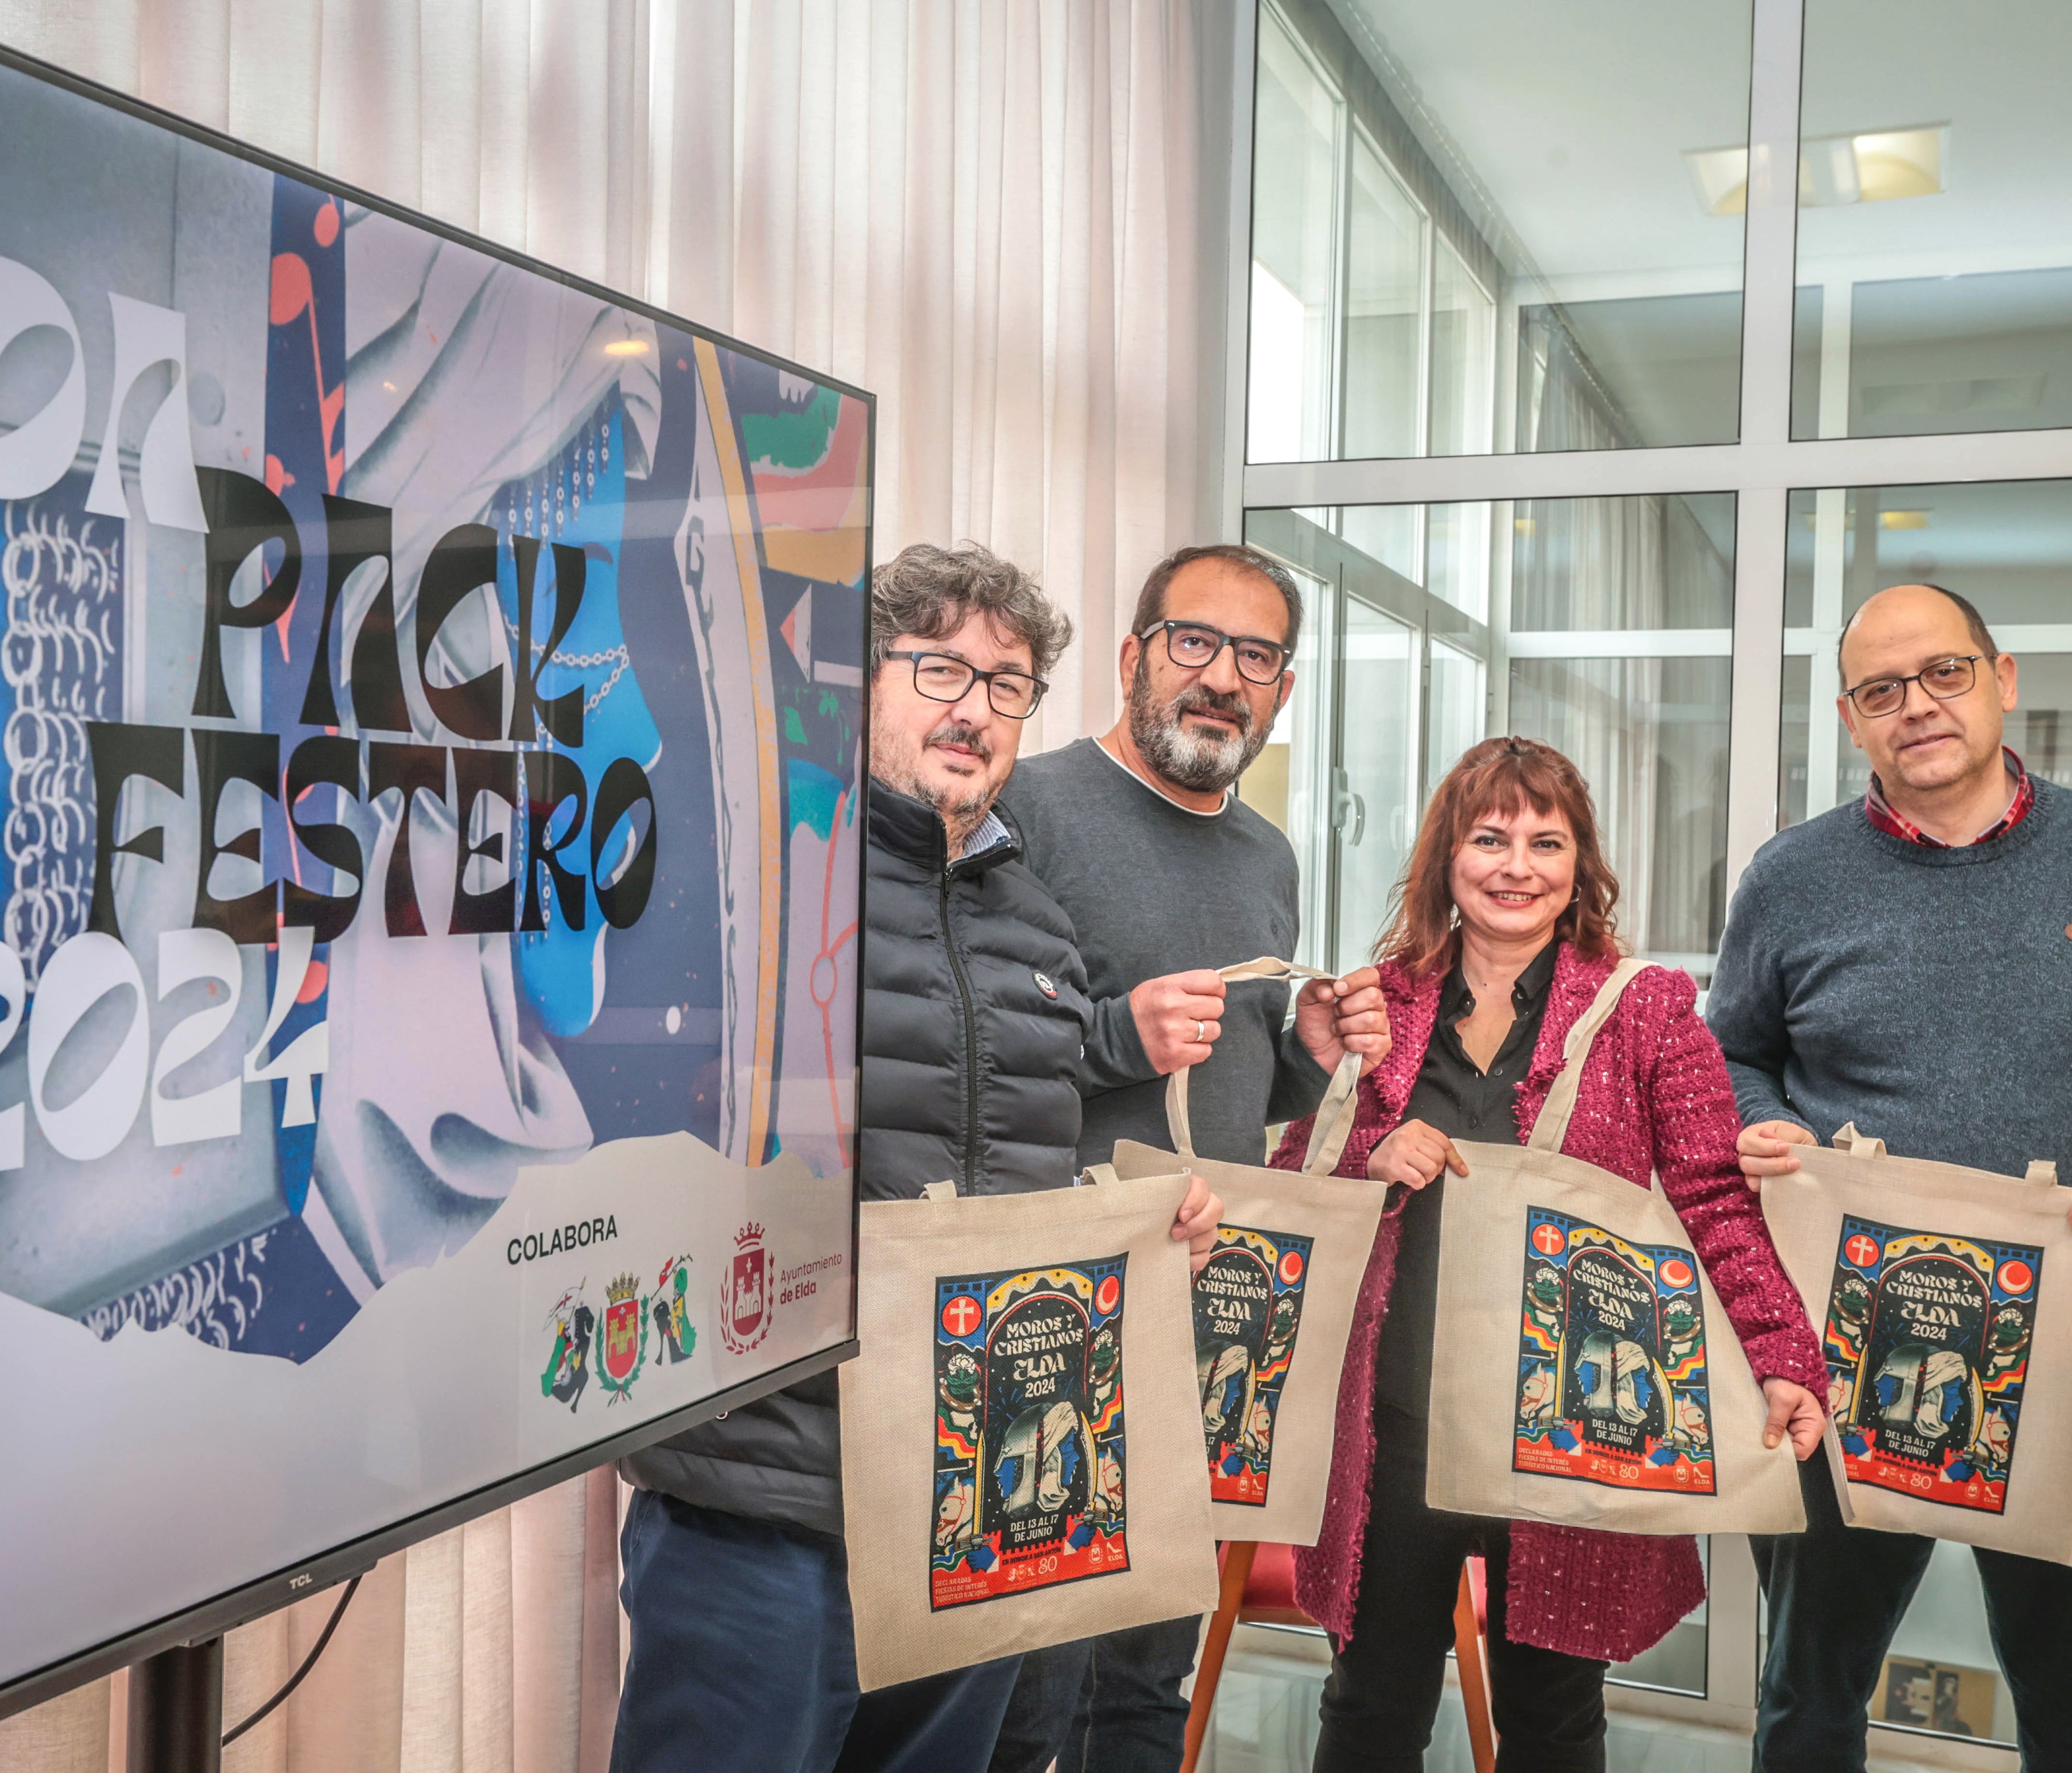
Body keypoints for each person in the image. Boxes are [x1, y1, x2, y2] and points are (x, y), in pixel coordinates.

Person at [610, 543, 1224, 1773]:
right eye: (940, 666)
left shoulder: (1038, 930)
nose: (975, 707)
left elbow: (1012, 1183)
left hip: (969, 1505)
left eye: (1007, 684)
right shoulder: (754, 886)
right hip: (768, 1502)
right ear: (857, 679)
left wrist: (1133, 1229)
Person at [1707, 582, 2072, 1773]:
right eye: (1881, 690)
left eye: (1944, 673)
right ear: (1852, 718)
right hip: (1841, 1361)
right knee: (1808, 1693)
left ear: (2003, 678)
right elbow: (1735, 1053)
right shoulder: (1791, 876)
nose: (1918, 706)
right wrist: (1759, 1125)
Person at [1274, 736, 1829, 1773]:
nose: (1515, 864)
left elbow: (1712, 1192)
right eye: (1489, 837)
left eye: (1544, 839)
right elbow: (1296, 1176)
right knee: (1368, 1709)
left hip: (1572, 1431)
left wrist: (1783, 1350)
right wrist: (1367, 1150)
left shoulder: (1649, 1009)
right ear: (1448, 853)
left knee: (1553, 1718)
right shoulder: (1380, 1003)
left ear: (1580, 863)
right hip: (1394, 1430)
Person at [988, 543, 1390, 1773]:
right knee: (1028, 1677)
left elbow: (1236, 1080)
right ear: (1133, 657)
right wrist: (1116, 1031)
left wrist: (1311, 1052)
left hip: (1200, 1302)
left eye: (1255, 656)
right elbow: (969, 1039)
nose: (1221, 678)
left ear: (1282, 689)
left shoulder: (1266, 854)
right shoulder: (1031, 803)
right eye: (1194, 643)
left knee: (1149, 1672)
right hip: (1041, 1304)